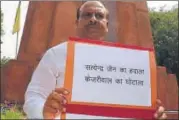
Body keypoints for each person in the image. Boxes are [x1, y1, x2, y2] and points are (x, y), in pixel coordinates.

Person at [23, 1, 167, 119]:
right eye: (87, 15)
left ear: (107, 25)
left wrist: (152, 114)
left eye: (99, 15)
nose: (93, 19)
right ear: (76, 22)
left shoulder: (128, 61)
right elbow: (34, 95)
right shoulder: (56, 54)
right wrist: (43, 111)